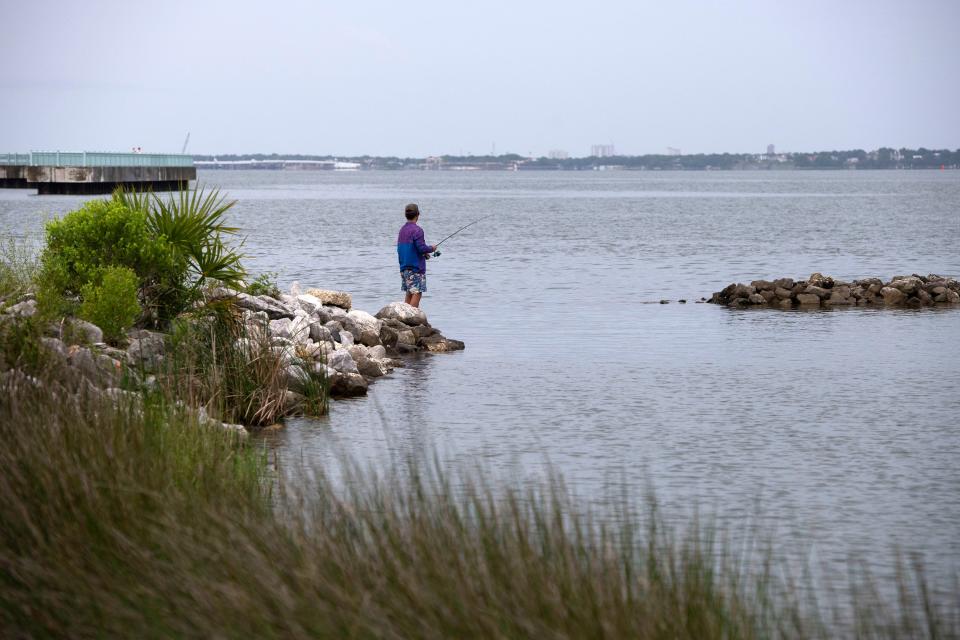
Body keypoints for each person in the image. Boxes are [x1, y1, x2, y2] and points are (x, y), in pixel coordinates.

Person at [396, 203, 436, 308]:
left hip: (404, 267)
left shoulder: (402, 230)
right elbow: (422, 247)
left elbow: (403, 249)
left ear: (406, 215)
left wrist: (423, 254)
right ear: (418, 215)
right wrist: (432, 248)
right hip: (415, 268)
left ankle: (404, 317)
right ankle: (412, 317)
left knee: (409, 292)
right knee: (417, 292)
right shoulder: (417, 230)